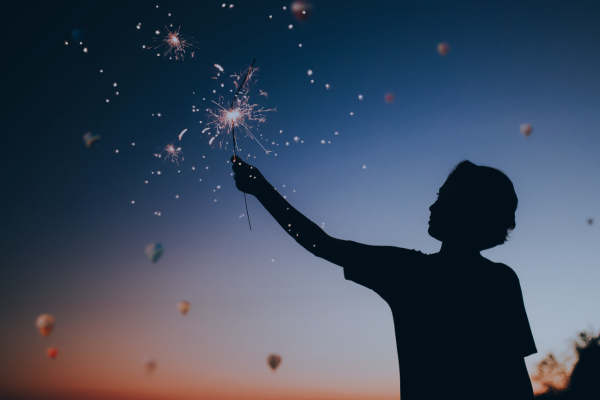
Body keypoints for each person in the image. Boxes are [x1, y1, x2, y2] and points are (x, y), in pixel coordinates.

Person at [231, 156, 537, 400]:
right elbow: (320, 244)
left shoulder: (410, 272)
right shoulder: (497, 281)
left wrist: (260, 188)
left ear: (472, 211)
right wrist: (260, 189)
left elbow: (319, 244)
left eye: (445, 199)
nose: (432, 206)